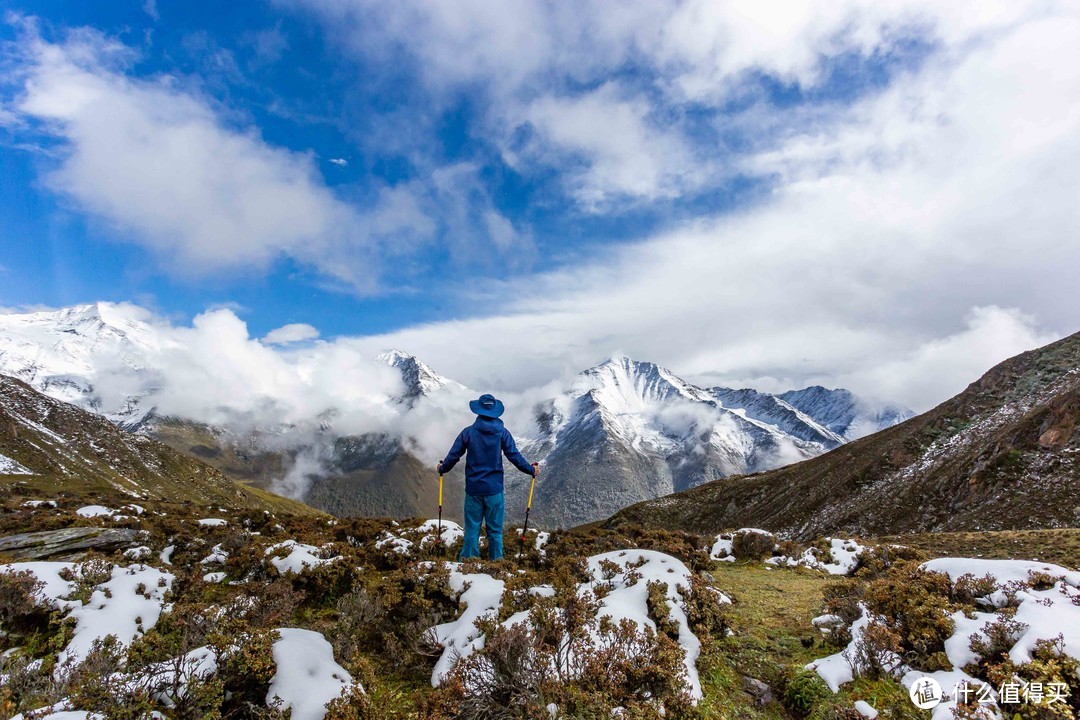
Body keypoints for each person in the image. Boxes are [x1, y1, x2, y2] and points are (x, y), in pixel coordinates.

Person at [437, 393, 538, 561]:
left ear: (478, 411)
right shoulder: (502, 433)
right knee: (495, 531)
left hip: (473, 490)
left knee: (472, 530)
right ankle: (497, 564)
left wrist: (443, 468)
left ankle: (468, 564)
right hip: (494, 491)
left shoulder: (468, 433)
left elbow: (454, 455)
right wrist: (531, 470)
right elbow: (514, 456)